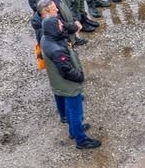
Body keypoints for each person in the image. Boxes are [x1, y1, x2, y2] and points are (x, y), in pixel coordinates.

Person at [40, 15, 101, 150]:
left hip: (59, 83)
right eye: (59, 25)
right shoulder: (56, 50)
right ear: (54, 29)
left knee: (69, 108)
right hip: (68, 85)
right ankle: (81, 140)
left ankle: (74, 130)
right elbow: (66, 70)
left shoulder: (46, 38)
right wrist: (80, 77)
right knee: (75, 112)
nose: (62, 26)